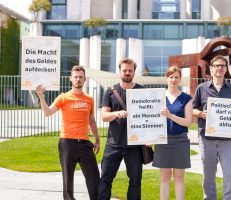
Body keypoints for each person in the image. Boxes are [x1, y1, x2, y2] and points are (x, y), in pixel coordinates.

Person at [35, 65, 100, 200]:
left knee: (94, 177)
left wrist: (97, 139)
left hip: (84, 144)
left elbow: (91, 120)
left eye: (80, 77)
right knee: (68, 180)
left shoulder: (89, 99)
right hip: (67, 143)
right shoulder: (63, 97)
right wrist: (41, 97)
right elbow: (48, 112)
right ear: (71, 79)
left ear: (84, 79)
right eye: (75, 77)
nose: (78, 79)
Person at [192, 55, 231, 200]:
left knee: (229, 174)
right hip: (207, 139)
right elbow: (192, 109)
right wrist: (200, 113)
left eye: (222, 66)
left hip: (227, 141)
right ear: (211, 69)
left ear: (226, 69)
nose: (219, 68)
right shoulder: (202, 88)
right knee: (208, 174)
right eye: (217, 65)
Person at [99, 58, 144, 200]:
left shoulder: (142, 91)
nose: (127, 73)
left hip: (135, 145)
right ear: (119, 71)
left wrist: (149, 137)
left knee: (135, 182)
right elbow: (104, 116)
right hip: (114, 144)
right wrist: (115, 113)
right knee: (105, 179)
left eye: (130, 70)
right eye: (124, 70)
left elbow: (148, 117)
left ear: (134, 72)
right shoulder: (110, 91)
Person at [153, 66, 193, 200]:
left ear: (180, 79)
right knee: (164, 177)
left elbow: (188, 122)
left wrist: (170, 116)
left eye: (176, 77)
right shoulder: (158, 97)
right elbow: (151, 120)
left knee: (179, 177)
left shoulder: (187, 98)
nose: (173, 80)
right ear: (166, 79)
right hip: (163, 140)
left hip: (180, 141)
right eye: (171, 77)